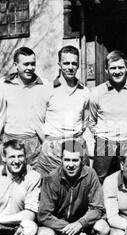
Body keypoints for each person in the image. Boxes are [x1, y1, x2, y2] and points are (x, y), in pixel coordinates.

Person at [37, 139, 108, 235]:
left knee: (103, 229)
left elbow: (98, 208)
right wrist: (74, 232)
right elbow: (44, 215)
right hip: (58, 228)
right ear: (61, 160)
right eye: (67, 160)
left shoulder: (90, 174)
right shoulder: (52, 178)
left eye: (75, 160)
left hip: (82, 226)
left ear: (82, 160)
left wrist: (80, 224)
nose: (70, 165)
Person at [89, 50, 127, 183]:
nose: (117, 71)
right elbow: (92, 122)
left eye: (120, 67)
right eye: (113, 68)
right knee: (100, 179)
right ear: (106, 70)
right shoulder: (97, 92)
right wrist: (103, 137)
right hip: (104, 142)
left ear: (126, 67)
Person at [36, 46, 90, 177]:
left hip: (76, 146)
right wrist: (50, 144)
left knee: (77, 188)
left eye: (74, 63)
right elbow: (38, 122)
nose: (70, 67)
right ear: (59, 64)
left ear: (78, 65)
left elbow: (85, 121)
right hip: (52, 148)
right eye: (66, 63)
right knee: (51, 187)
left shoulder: (85, 91)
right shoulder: (47, 90)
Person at [1, 47, 48, 167]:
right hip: (10, 140)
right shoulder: (3, 84)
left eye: (33, 64)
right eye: (26, 64)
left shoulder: (45, 85)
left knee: (33, 179)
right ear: (16, 65)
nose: (30, 68)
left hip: (33, 142)